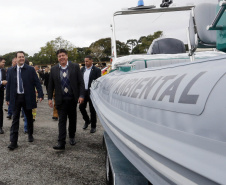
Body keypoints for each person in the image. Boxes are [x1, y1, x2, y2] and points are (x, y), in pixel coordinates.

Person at [6, 51, 44, 150]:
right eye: (20, 57)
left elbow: (37, 82)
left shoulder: (30, 69)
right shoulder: (11, 70)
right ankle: (13, 142)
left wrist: (40, 94)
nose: (22, 58)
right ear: (16, 59)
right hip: (16, 98)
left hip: (27, 97)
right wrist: (7, 98)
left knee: (29, 117)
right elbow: (9, 85)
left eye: (23, 57)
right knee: (15, 120)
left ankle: (30, 134)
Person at [48, 49, 84, 150]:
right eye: (59, 56)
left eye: (63, 55)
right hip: (60, 100)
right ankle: (61, 142)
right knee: (62, 121)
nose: (61, 57)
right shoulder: (54, 69)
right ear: (57, 58)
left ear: (67, 56)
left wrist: (81, 95)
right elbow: (50, 85)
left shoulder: (75, 67)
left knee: (72, 119)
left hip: (72, 99)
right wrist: (49, 98)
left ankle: (72, 136)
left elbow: (81, 82)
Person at [79, 56, 101, 133]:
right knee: (81, 107)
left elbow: (98, 81)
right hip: (83, 92)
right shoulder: (82, 69)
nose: (85, 63)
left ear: (91, 61)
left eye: (87, 61)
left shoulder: (97, 70)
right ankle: (87, 120)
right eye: (85, 61)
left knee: (92, 110)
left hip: (92, 92)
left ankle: (93, 126)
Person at [0, 58, 7, 134]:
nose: (4, 64)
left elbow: (5, 79)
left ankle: (0, 127)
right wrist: (1, 82)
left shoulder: (3, 70)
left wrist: (4, 85)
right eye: (2, 62)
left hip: (1, 92)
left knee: (0, 109)